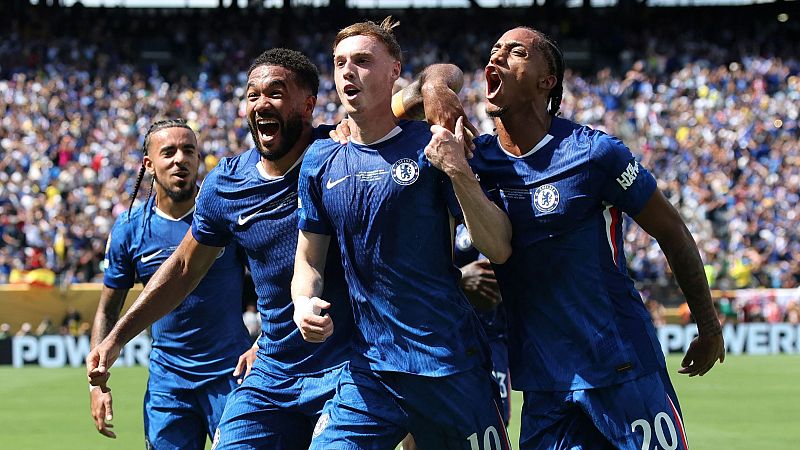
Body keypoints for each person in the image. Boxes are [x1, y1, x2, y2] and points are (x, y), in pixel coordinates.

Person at [88, 48, 463, 450]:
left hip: (352, 367)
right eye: (253, 95)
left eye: (275, 93)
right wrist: (116, 339)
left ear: (308, 105)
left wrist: (436, 88)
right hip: (274, 374)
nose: (261, 103)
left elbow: (431, 80)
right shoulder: (226, 185)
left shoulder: (341, 148)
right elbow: (183, 269)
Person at [424, 26, 726, 450]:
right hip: (545, 384)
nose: (496, 57)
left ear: (547, 81)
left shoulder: (594, 154)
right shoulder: (476, 161)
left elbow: (671, 231)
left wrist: (708, 326)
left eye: (515, 52)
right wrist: (434, 86)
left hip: (621, 366)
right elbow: (416, 89)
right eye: (494, 50)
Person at [292, 18, 512, 449]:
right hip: (370, 371)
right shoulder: (320, 159)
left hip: (449, 365)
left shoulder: (430, 144)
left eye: (362, 61)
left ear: (395, 71)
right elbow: (308, 260)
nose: (348, 71)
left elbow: (499, 247)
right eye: (340, 63)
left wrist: (458, 171)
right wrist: (302, 301)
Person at [88, 119, 252, 448]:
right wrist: (96, 384)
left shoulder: (224, 215)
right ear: (149, 164)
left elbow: (270, 281)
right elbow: (107, 310)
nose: (180, 159)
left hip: (231, 373)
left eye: (188, 150)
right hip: (168, 384)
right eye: (169, 152)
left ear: (198, 158)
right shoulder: (130, 228)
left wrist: (262, 344)